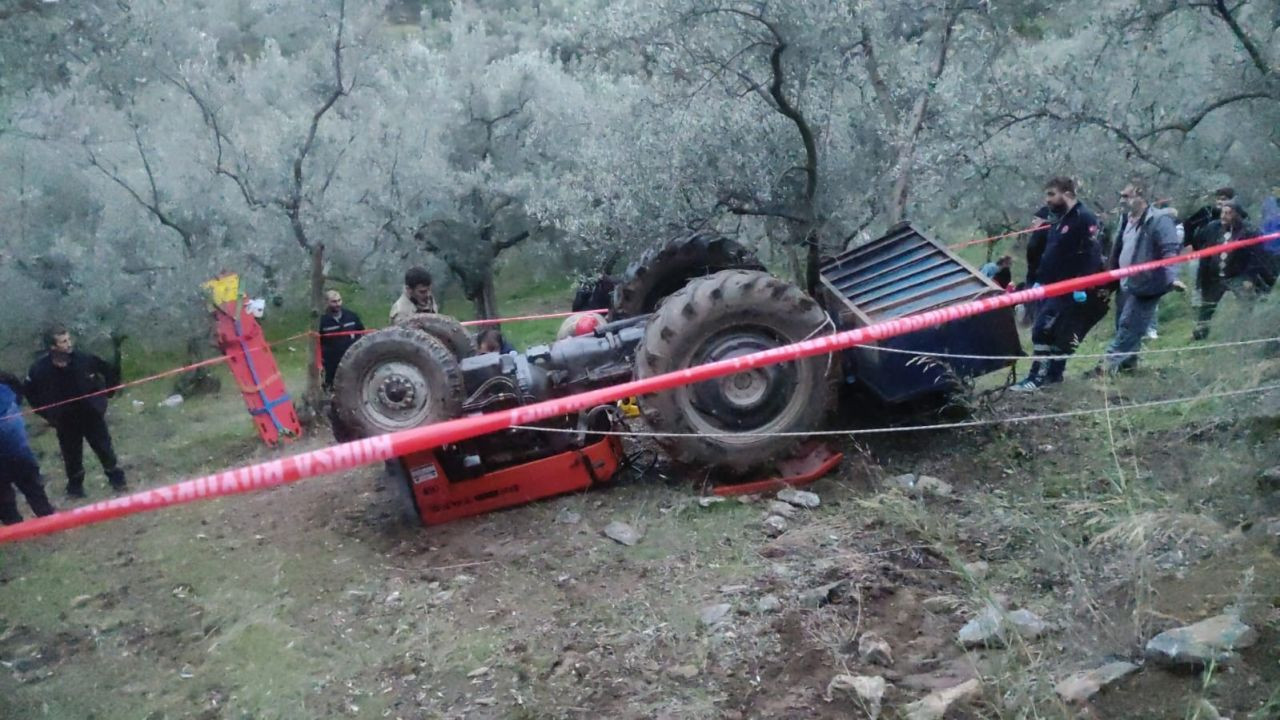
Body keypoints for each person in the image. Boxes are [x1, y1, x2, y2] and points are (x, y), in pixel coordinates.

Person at [1011, 177, 1107, 391]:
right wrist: (1039, 282)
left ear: (1068, 194)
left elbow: (1092, 254)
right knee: (1053, 332)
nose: (1048, 200)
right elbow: (1050, 253)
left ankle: (1038, 378)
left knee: (1042, 330)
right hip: (1050, 285)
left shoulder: (1084, 218)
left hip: (1069, 287)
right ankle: (1053, 377)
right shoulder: (1059, 219)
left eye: (1052, 194)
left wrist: (1082, 285)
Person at [1086, 181, 1181, 376]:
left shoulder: (1160, 220)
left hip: (1146, 283)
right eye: (1121, 196)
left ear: (1141, 196)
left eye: (1126, 196)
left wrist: (1172, 278)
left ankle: (1105, 367)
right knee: (1124, 322)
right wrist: (1109, 282)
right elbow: (1118, 250)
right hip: (1124, 282)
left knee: (1129, 325)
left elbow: (1170, 251)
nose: (1122, 200)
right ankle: (1128, 366)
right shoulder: (1124, 220)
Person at [24, 326, 126, 497]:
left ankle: (118, 482)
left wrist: (104, 398)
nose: (69, 344)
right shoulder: (39, 369)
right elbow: (30, 392)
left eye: (69, 340)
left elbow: (109, 372)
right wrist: (48, 414)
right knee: (71, 456)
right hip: (64, 419)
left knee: (104, 449)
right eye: (63, 341)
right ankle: (75, 490)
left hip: (91, 414)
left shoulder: (84, 359)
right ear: (52, 347)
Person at [1193, 199, 1275, 340]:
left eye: (1228, 213)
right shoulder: (1213, 228)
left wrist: (1249, 277)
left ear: (1237, 215)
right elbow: (1204, 250)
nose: (1223, 216)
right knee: (1207, 305)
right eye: (1223, 212)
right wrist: (1202, 277)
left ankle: (1243, 332)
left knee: (1246, 302)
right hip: (1214, 275)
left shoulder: (1249, 231)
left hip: (1238, 274)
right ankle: (1200, 333)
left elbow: (1256, 257)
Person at [0, 372, 56, 525]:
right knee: (25, 492)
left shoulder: (6, 391)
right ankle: (44, 520)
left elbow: (17, 390)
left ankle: (45, 520)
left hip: (17, 451)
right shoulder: (9, 392)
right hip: (18, 452)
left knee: (28, 489)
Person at [318, 290, 365, 390]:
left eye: (339, 300)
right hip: (331, 363)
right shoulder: (322, 322)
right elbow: (318, 343)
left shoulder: (351, 317)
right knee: (333, 388)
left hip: (352, 358)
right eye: (334, 301)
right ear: (327, 302)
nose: (338, 304)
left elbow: (361, 333)